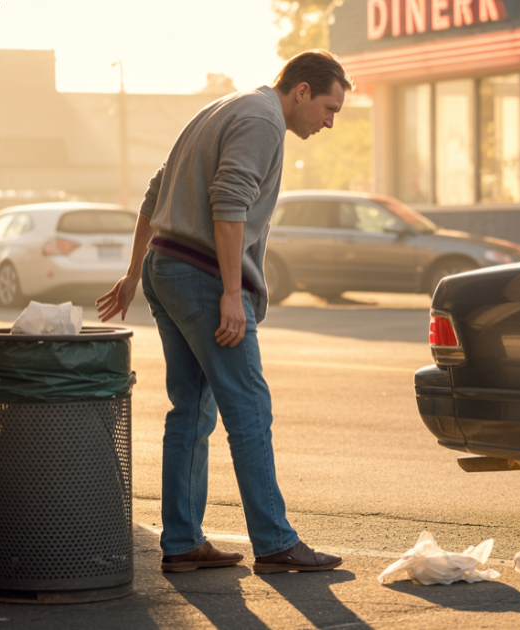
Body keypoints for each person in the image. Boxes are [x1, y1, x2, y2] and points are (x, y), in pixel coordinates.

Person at [96, 50, 353, 574]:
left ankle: (183, 541)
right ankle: (276, 542)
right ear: (300, 90)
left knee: (190, 410)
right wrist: (232, 294)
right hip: (202, 277)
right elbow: (229, 203)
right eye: (329, 108)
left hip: (165, 267)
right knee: (249, 410)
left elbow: (155, 190)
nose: (329, 121)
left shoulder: (225, 107)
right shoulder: (262, 121)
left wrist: (132, 271)